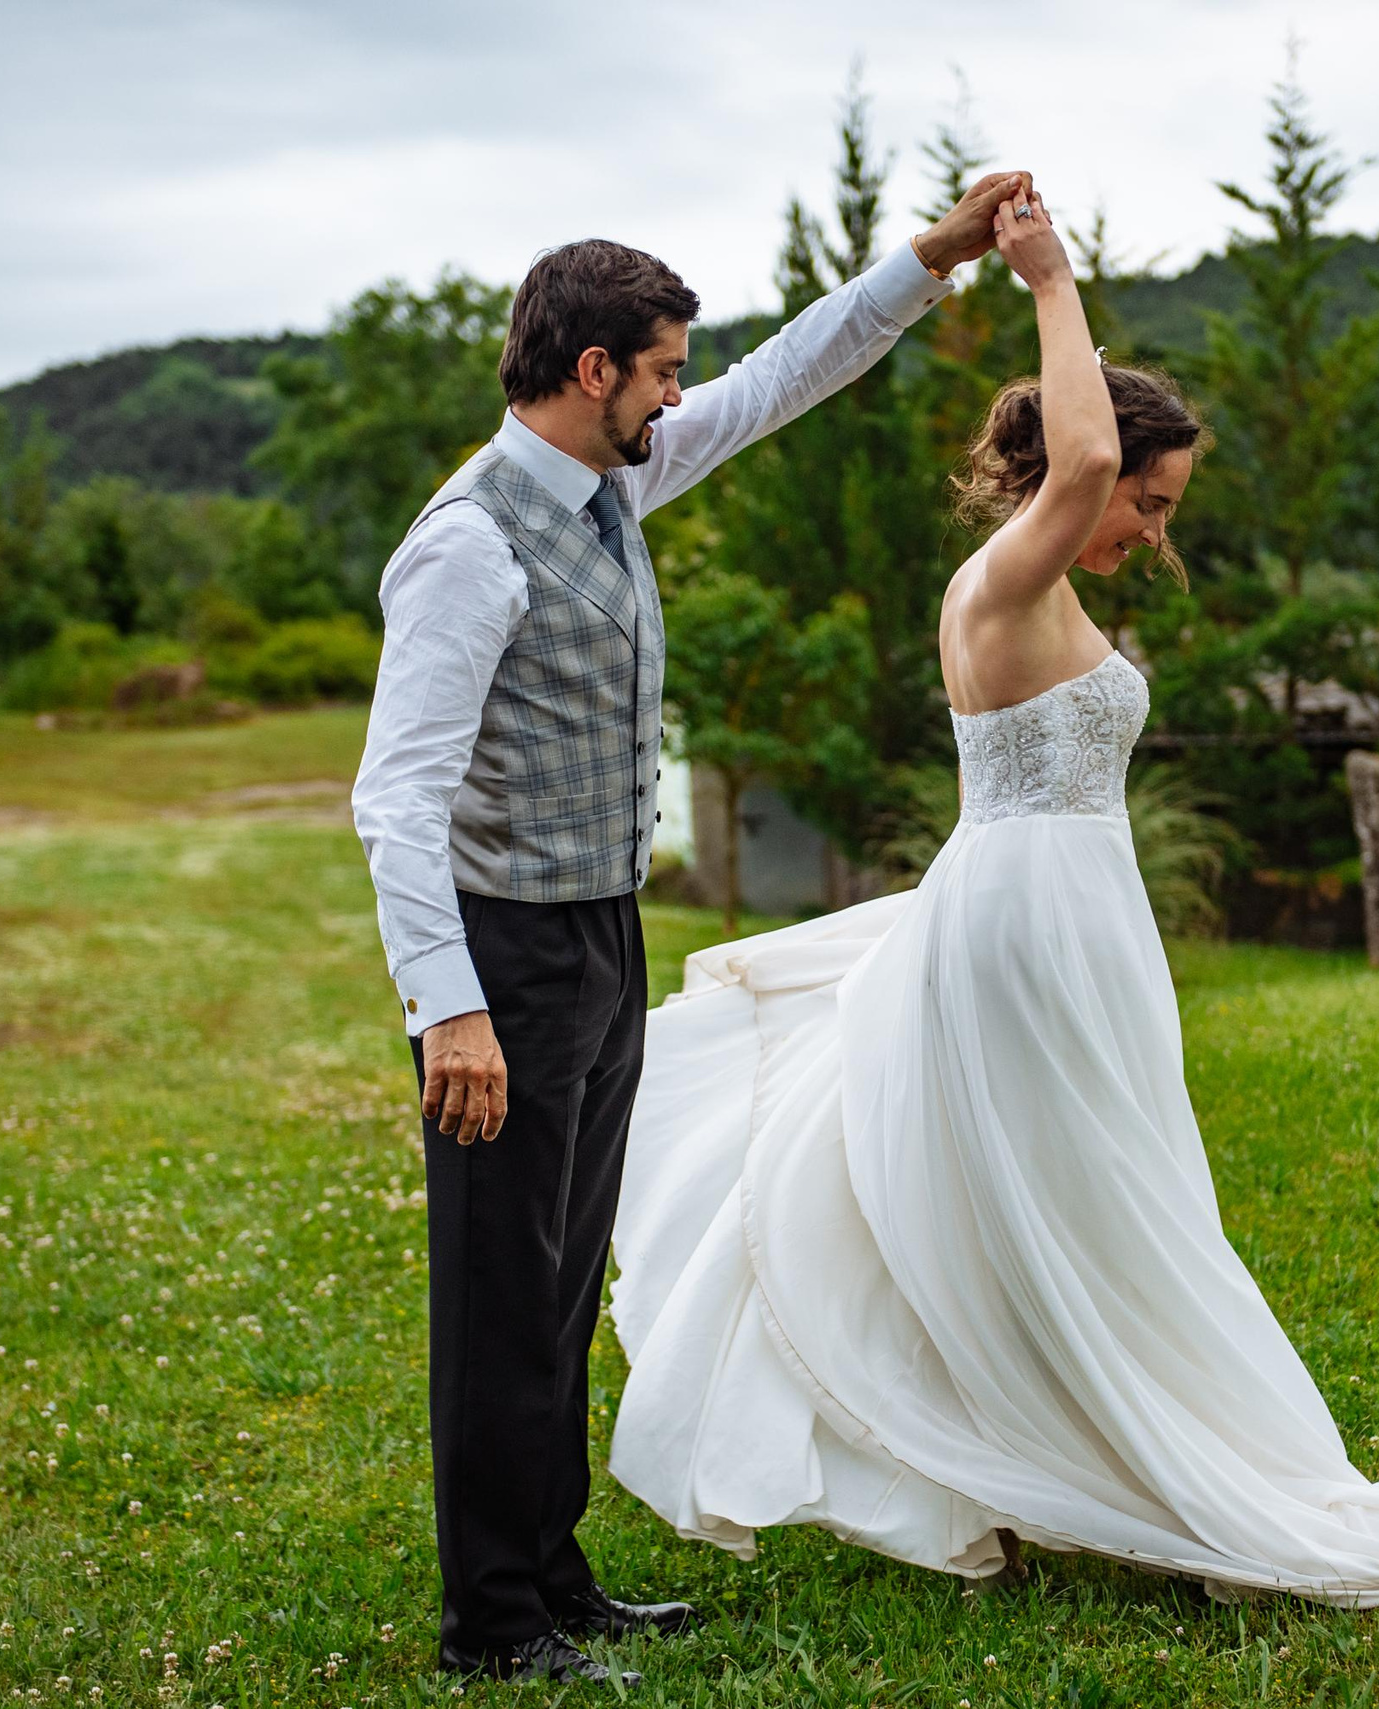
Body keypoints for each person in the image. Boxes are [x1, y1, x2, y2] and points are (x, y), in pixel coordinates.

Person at [606, 186, 1379, 1608]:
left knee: (1099, 1198)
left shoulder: (1045, 587)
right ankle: (1136, 1468)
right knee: (1090, 1201)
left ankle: (1074, 1456)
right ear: (1075, 473)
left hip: (1072, 912)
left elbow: (1099, 473)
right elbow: (1089, 443)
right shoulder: (1003, 573)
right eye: (1144, 501)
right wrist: (1046, 273)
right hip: (1027, 921)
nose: (1147, 525)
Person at [350, 171, 1029, 1685]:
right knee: (496, 1290)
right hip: (505, 957)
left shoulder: (614, 484)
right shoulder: (470, 542)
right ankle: (493, 1625)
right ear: (594, 371)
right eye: (659, 368)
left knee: (564, 1269)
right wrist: (446, 1007)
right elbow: (395, 799)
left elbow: (785, 378)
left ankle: (555, 1574)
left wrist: (934, 260)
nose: (677, 393)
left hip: (603, 935)